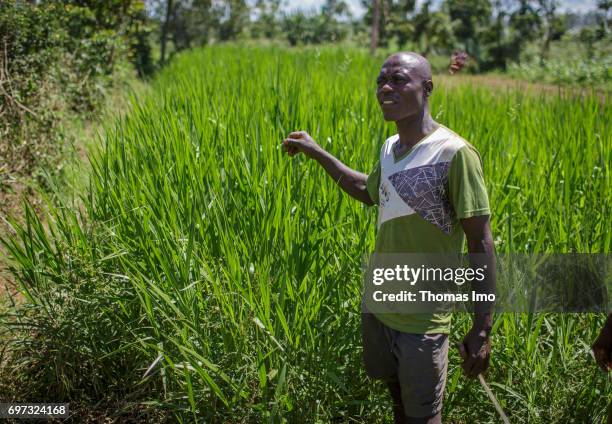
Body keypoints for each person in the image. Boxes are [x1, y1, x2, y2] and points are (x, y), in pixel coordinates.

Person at [281, 52, 495, 424]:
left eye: (398, 80)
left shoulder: (455, 154)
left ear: (427, 88)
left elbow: (481, 243)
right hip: (380, 306)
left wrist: (481, 328)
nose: (384, 88)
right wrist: (318, 153)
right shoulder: (389, 148)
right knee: (396, 400)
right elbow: (369, 189)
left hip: (422, 323)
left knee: (423, 416)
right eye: (381, 81)